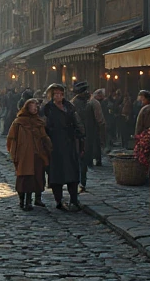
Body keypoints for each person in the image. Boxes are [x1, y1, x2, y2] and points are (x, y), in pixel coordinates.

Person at [42, 83, 84, 212]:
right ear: (52, 95)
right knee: (57, 175)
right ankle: (58, 200)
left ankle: (74, 200)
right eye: (56, 94)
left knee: (73, 174)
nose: (58, 96)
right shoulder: (47, 109)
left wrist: (79, 136)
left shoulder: (69, 107)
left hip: (69, 144)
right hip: (55, 145)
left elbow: (77, 123)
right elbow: (43, 126)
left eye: (60, 93)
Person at [7, 97, 52, 211]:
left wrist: (48, 148)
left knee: (38, 177)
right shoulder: (18, 122)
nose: (35, 108)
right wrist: (14, 153)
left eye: (36, 106)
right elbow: (11, 139)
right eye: (33, 106)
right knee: (24, 179)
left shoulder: (39, 121)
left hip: (37, 154)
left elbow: (44, 137)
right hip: (24, 155)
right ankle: (23, 201)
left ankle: (35, 199)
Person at [71, 82, 98, 192]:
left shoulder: (88, 103)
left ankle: (82, 181)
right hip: (77, 135)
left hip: (87, 134)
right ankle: (79, 182)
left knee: (83, 160)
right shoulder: (74, 104)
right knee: (79, 160)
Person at [90, 89, 108, 166]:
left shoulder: (95, 102)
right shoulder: (95, 102)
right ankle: (96, 159)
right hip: (95, 125)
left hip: (95, 125)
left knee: (97, 143)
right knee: (96, 143)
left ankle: (96, 159)